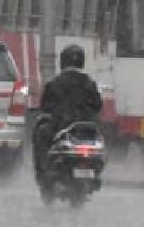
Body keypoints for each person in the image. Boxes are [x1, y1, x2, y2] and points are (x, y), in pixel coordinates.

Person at [33, 45, 103, 180]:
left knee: (41, 134)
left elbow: (45, 106)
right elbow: (98, 105)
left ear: (62, 61)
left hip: (61, 124)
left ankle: (43, 171)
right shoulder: (90, 83)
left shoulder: (55, 83)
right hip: (86, 127)